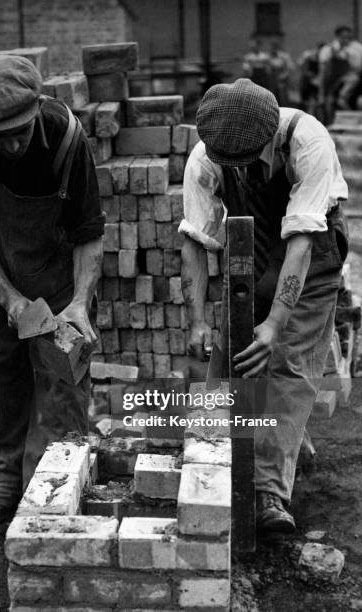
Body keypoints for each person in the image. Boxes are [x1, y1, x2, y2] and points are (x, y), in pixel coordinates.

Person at [0, 54, 105, 525]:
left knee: (62, 383)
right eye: (0, 137)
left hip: (53, 273)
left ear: (37, 108)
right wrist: (7, 297)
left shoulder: (66, 135)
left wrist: (78, 303)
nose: (12, 145)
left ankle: (51, 487)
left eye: (20, 131)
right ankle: (2, 482)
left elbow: (88, 231)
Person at [180, 78, 348, 533]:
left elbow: (301, 244)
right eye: (225, 164)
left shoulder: (307, 141)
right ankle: (211, 471)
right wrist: (198, 322)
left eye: (245, 163)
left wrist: (274, 323)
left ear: (268, 137)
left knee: (288, 364)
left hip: (310, 259)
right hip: (248, 257)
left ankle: (268, 492)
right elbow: (195, 240)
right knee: (227, 365)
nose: (234, 170)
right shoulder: (205, 154)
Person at [318, 26, 362, 122]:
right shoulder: (328, 49)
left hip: (350, 81)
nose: (346, 40)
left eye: (348, 37)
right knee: (329, 103)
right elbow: (322, 71)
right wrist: (321, 93)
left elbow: (357, 68)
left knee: (344, 100)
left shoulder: (355, 49)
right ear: (337, 36)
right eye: (343, 37)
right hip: (332, 80)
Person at [298, 42, 325, 115]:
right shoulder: (309, 57)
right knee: (311, 104)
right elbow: (302, 67)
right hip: (309, 83)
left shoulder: (323, 59)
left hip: (317, 83)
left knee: (316, 105)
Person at [267, 35, 295, 106]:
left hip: (282, 80)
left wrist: (284, 76)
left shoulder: (284, 56)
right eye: (272, 45)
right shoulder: (268, 56)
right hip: (272, 81)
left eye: (275, 44)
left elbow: (290, 67)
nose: (273, 46)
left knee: (283, 99)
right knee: (272, 99)